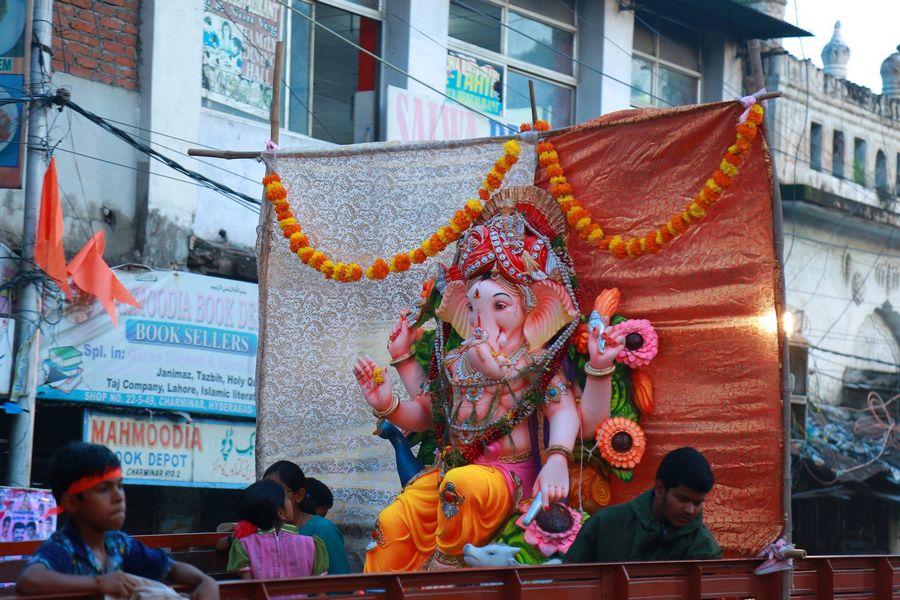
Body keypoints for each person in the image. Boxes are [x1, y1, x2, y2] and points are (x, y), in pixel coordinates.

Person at [16, 442, 219, 599]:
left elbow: (170, 567)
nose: (118, 497)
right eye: (103, 489)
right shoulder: (63, 547)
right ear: (71, 502)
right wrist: (98, 583)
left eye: (120, 486)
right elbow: (30, 579)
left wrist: (205, 581)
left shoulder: (119, 544)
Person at [565, 447, 722, 563]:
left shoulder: (704, 547)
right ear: (660, 488)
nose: (690, 510)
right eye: (682, 499)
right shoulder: (605, 524)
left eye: (697, 503)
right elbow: (568, 586)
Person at [227, 480, 328, 579]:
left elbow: (248, 590)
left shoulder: (244, 546)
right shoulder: (311, 545)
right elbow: (320, 592)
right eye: (288, 499)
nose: (291, 503)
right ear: (281, 513)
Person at [263, 462, 351, 575]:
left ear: (299, 495)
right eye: (265, 491)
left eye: (278, 492)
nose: (268, 498)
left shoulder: (323, 530)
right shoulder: (261, 528)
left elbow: (341, 583)